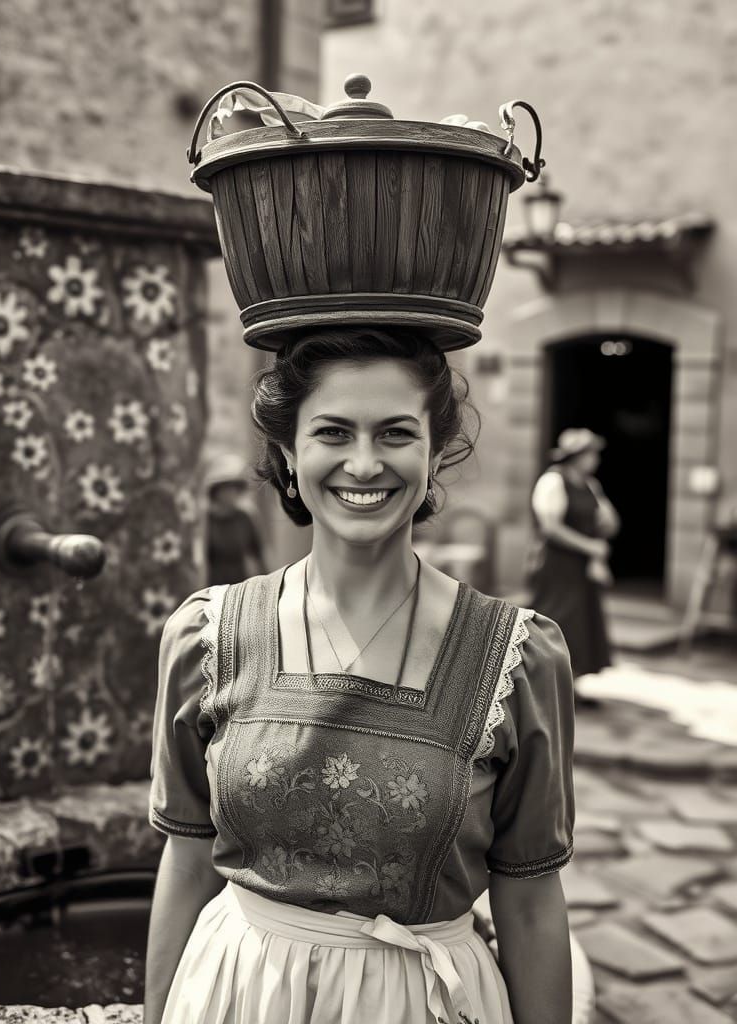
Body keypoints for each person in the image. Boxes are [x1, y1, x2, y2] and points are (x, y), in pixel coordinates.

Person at [144, 328, 576, 1024]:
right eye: (334, 432)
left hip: (419, 1003)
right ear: (290, 453)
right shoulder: (209, 637)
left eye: (396, 434)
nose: (365, 463)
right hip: (238, 994)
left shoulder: (518, 659)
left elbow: (528, 903)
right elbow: (188, 860)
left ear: (434, 452)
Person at [528, 428, 621, 704]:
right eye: (591, 453)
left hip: (582, 568)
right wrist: (588, 546)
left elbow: (607, 522)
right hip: (557, 565)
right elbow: (551, 527)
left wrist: (608, 523)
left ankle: (570, 686)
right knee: (558, 622)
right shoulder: (552, 482)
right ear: (576, 456)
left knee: (582, 625)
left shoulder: (591, 485)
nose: (595, 459)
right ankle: (545, 689)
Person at [205, 454, 266, 584]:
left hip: (240, 584)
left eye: (234, 488)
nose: (232, 493)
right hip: (213, 586)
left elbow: (259, 554)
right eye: (227, 488)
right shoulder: (206, 520)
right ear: (217, 492)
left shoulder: (245, 517)